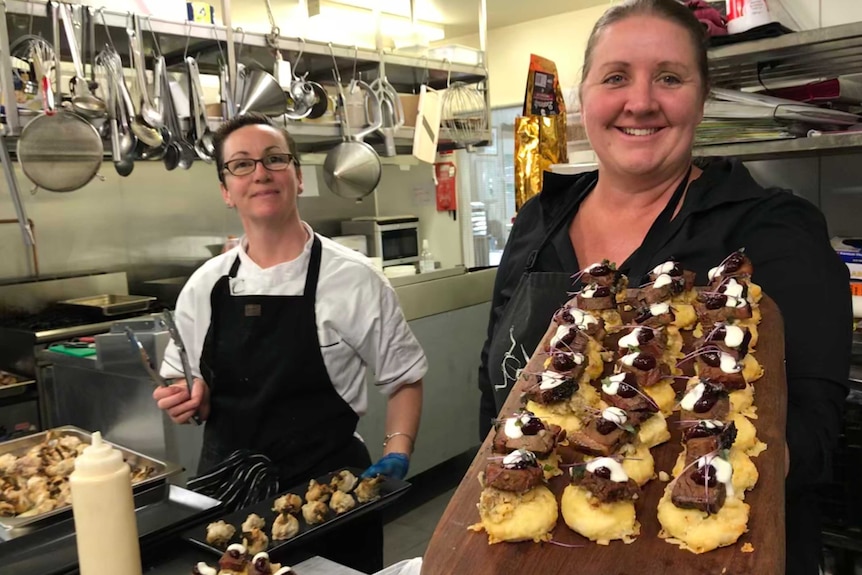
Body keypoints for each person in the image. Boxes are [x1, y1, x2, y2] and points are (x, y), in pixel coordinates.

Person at [477, 1, 851, 574]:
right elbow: (494, 383)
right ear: (584, 97)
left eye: (670, 78)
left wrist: (699, 471)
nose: (641, 100)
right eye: (616, 76)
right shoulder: (537, 219)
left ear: (702, 100)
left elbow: (816, 437)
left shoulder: (773, 229)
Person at [154, 113, 426, 573]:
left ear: (298, 177)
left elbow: (404, 379)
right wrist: (184, 397)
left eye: (274, 159)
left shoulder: (354, 279)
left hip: (328, 495)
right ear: (225, 188)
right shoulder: (204, 286)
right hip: (229, 498)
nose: (260, 173)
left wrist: (397, 450)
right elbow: (184, 380)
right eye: (241, 164)